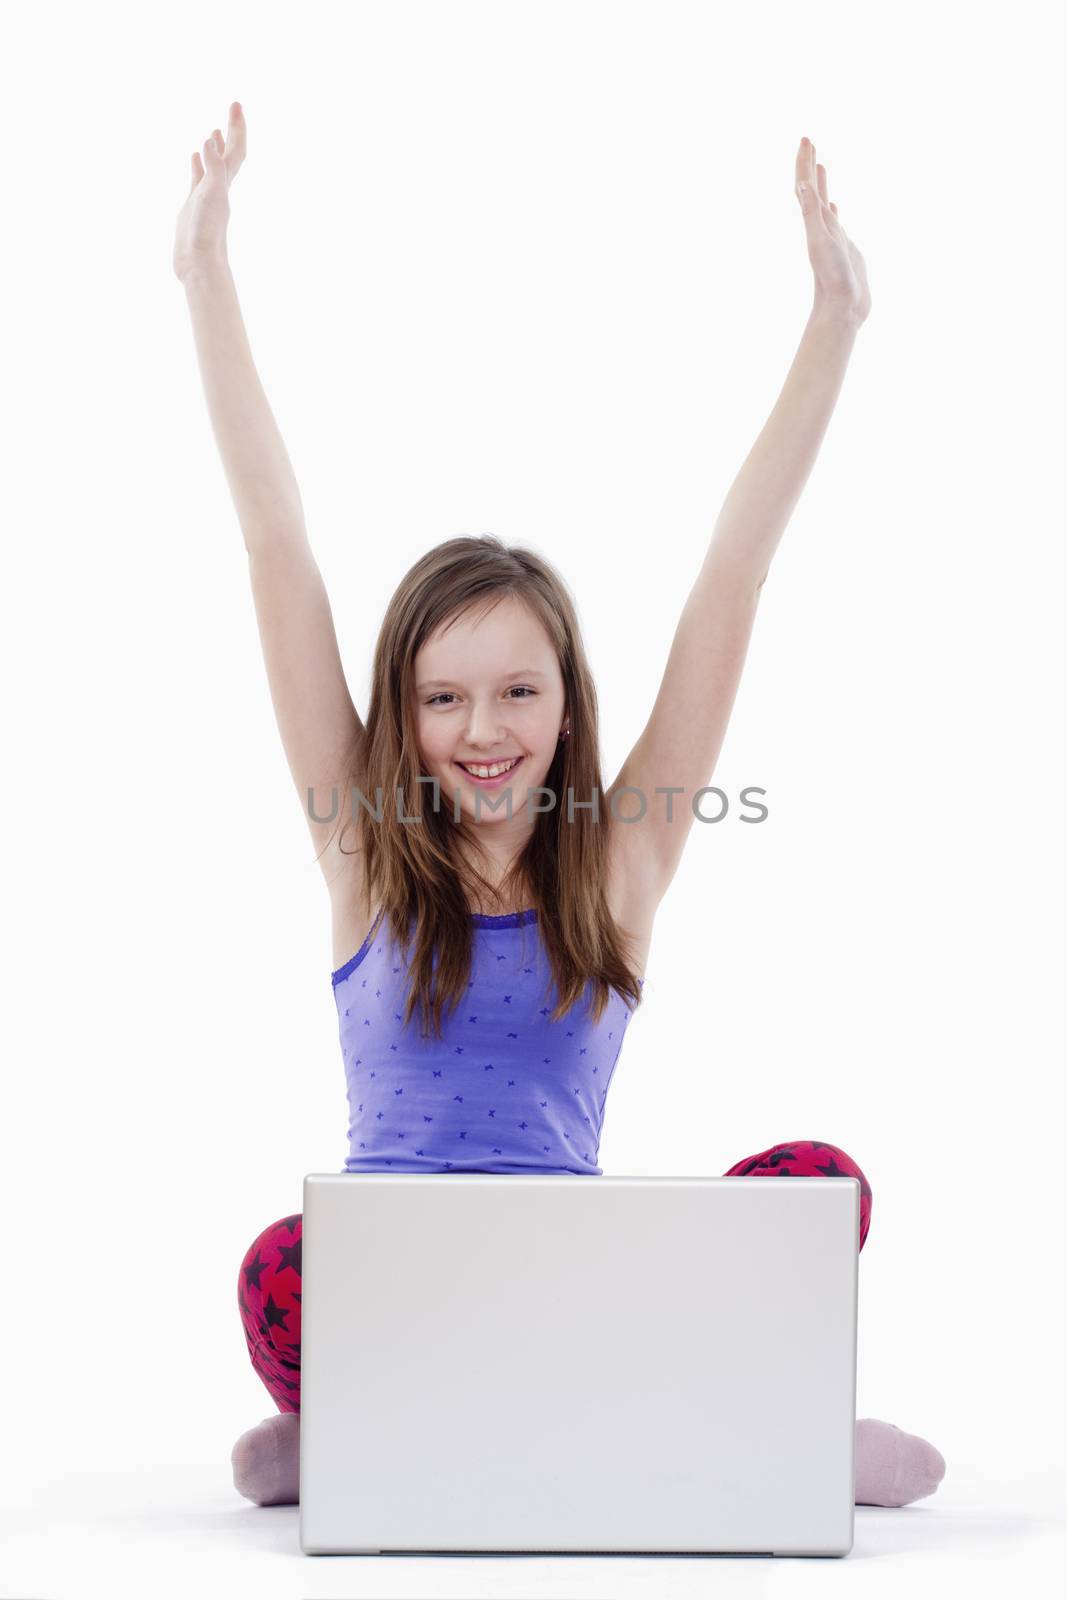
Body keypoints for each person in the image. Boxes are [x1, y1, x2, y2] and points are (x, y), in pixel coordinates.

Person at [174, 105, 946, 1512]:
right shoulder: (361, 850)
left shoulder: (624, 858)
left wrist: (834, 319)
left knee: (817, 1181)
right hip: (398, 1309)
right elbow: (276, 548)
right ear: (400, 715)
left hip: (580, 1311)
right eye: (444, 698)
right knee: (277, 1269)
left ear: (567, 707)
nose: (482, 733)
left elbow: (732, 582)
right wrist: (206, 277)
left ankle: (443, 1435)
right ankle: (416, 1422)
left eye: (518, 694)